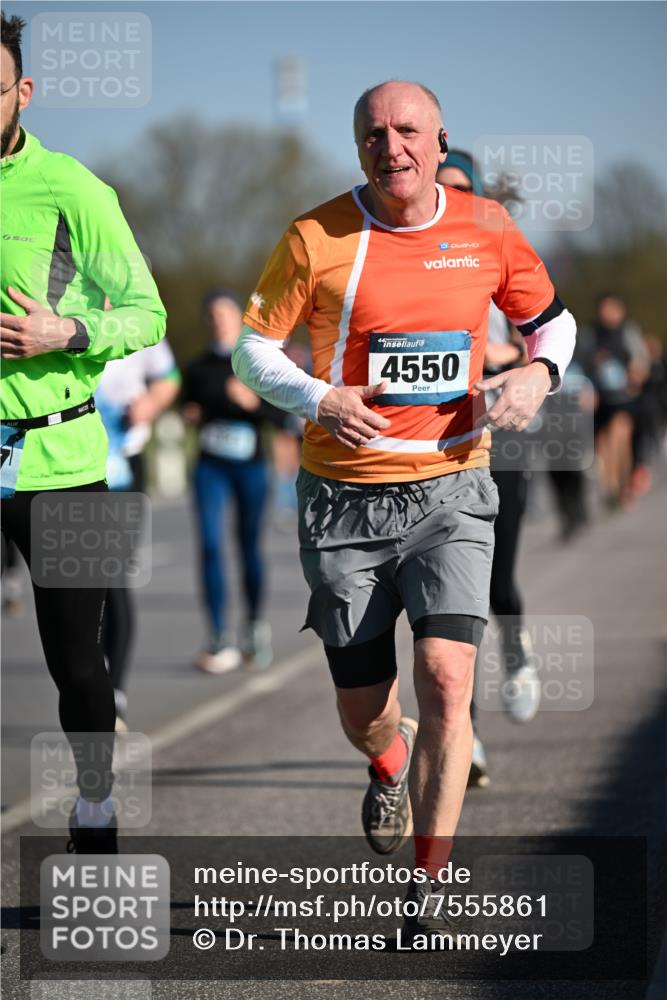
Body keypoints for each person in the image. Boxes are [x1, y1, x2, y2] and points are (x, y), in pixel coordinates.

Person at [233, 80, 576, 938]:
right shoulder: (315, 234)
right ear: (358, 147)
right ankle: (387, 762)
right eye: (374, 134)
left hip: (453, 485)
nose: (393, 147)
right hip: (343, 499)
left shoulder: (486, 225)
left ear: (439, 138)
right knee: (367, 708)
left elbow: (552, 324)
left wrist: (538, 374)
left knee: (449, 677)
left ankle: (428, 880)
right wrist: (316, 397)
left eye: (408, 130)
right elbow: (249, 348)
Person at [0, 15, 166, 852]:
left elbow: (146, 311)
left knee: (76, 660)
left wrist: (62, 332)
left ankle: (95, 798)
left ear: (22, 92)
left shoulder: (72, 188)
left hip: (61, 459)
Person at [436, 151, 541, 789]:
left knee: (498, 584)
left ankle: (520, 648)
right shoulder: (413, 261)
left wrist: (491, 350)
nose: (445, 198)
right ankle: (464, 739)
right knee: (456, 604)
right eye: (439, 188)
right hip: (445, 451)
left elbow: (542, 344)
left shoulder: (501, 256)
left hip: (504, 449)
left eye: (458, 189)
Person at [182, 290, 290, 674]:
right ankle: (216, 633)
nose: (218, 321)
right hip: (211, 466)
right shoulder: (196, 368)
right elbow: (187, 405)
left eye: (225, 315)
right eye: (212, 316)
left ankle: (254, 627)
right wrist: (191, 414)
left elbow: (282, 418)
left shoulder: (254, 363)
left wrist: (252, 404)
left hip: (251, 467)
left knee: (248, 548)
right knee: (210, 545)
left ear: (239, 319)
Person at [95, 326, 181, 730]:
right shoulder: (61, 310)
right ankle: (85, 687)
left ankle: (115, 692)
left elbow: (170, 378)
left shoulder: (136, 318)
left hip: (125, 459)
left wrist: (151, 403)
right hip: (71, 464)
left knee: (113, 577)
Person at [577, 293, 649, 509]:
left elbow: (641, 360)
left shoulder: (628, 332)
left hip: (624, 397)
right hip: (600, 397)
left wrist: (636, 376)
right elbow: (581, 363)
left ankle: (623, 483)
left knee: (620, 436)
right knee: (604, 445)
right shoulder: (590, 334)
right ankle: (610, 487)